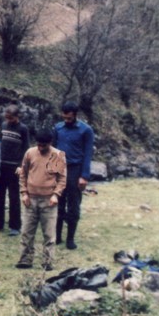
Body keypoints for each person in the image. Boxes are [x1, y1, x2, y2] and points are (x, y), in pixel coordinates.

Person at [15, 129, 66, 270]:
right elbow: (23, 174)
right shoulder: (30, 153)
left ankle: (47, 262)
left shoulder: (57, 155)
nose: (41, 147)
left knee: (49, 234)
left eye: (44, 145)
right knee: (26, 232)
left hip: (49, 200)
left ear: (50, 143)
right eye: (38, 144)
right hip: (30, 199)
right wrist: (24, 193)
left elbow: (62, 179)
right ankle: (25, 260)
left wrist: (56, 195)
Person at [53, 101, 94, 250]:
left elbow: (88, 154)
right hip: (59, 168)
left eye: (69, 118)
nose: (66, 120)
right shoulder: (58, 128)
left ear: (75, 115)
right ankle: (57, 236)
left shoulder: (86, 130)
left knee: (73, 206)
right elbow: (53, 150)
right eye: (64, 117)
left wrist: (84, 176)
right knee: (58, 203)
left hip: (75, 169)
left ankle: (70, 238)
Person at [0, 105, 30, 236]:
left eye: (11, 118)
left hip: (14, 167)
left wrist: (22, 166)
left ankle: (15, 226)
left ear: (17, 116)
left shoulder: (23, 129)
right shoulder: (3, 125)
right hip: (1, 165)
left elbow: (26, 148)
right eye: (6, 117)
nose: (8, 120)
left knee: (14, 197)